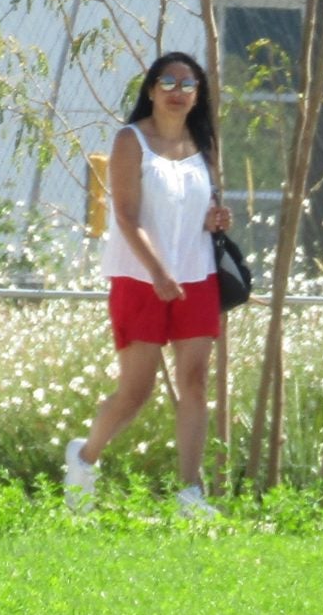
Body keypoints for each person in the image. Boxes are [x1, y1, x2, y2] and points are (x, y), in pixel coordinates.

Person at [64, 51, 235, 517]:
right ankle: (83, 459)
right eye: (168, 82)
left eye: (188, 85)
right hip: (141, 277)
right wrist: (158, 271)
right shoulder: (130, 140)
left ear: (199, 95)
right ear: (151, 89)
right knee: (136, 392)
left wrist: (216, 218)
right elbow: (125, 214)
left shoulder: (204, 147)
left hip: (196, 275)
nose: (178, 92)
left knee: (195, 381)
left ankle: (190, 494)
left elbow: (195, 210)